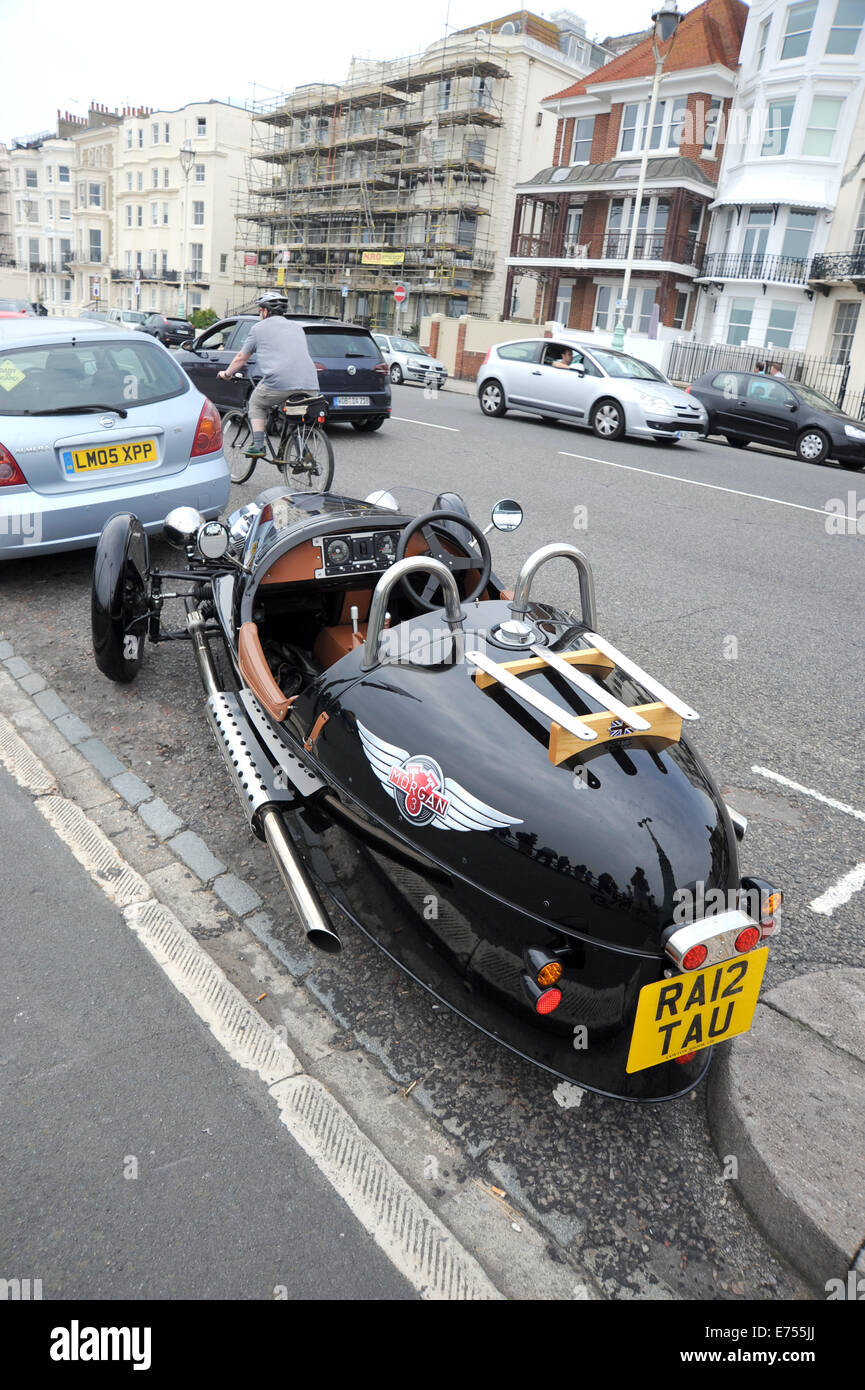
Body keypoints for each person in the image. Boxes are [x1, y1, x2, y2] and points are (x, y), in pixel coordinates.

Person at [217, 292, 320, 457]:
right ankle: (303, 454)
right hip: (311, 383)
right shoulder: (297, 328)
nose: (260, 315)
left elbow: (241, 357)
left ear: (265, 311)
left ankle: (258, 445)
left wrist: (227, 373)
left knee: (256, 403)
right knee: (293, 414)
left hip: (280, 382)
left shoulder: (258, 328)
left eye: (260, 311)